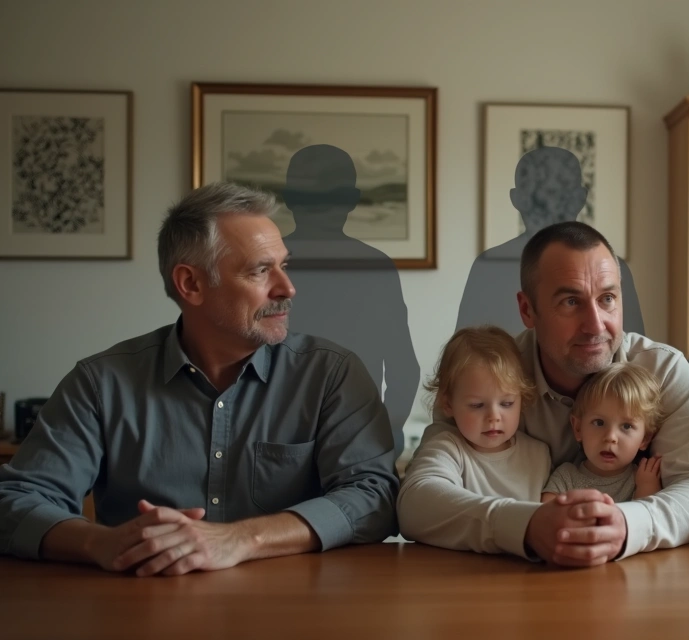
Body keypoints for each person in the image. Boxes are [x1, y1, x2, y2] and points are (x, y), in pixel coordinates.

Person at [0, 182, 399, 575]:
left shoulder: (331, 373)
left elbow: (374, 497)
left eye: (284, 264)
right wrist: (101, 542)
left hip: (291, 610)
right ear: (190, 284)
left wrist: (242, 539)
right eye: (261, 270)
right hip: (138, 605)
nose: (287, 287)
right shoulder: (100, 383)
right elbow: (14, 500)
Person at [400, 221, 689, 566]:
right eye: (571, 301)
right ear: (527, 310)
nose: (596, 324)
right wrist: (525, 526)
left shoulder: (663, 373)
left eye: (607, 299)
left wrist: (628, 525)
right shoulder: (484, 378)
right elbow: (417, 502)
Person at [280, 144, 420, 450]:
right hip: (283, 430)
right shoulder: (268, 266)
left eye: (332, 198)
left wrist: (387, 427)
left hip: (351, 430)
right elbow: (404, 367)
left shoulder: (375, 268)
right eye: (312, 200)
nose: (322, 209)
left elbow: (403, 367)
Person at [455, 147, 645, 336]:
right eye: (539, 198)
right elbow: (466, 353)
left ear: (580, 199)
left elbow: (630, 355)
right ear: (517, 199)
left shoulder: (614, 269)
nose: (551, 206)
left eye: (560, 196)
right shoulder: (488, 268)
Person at [402, 326, 551, 551]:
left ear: (523, 398)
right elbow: (414, 505)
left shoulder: (540, 454)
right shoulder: (448, 448)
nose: (493, 417)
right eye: (477, 405)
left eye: (507, 404)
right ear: (448, 404)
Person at [541, 362, 665, 504]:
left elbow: (647, 520)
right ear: (578, 428)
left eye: (626, 426)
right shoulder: (566, 476)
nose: (610, 437)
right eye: (599, 423)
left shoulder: (640, 479)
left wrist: (647, 487)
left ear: (645, 438)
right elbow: (547, 514)